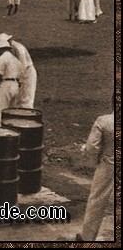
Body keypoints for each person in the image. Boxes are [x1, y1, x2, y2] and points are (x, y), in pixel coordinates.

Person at [76, 102, 114, 241]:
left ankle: (87, 238)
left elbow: (92, 147)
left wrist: (91, 157)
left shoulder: (103, 121)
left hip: (108, 165)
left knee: (97, 201)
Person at [0, 33, 38, 109]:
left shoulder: (18, 48)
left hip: (27, 73)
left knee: (25, 99)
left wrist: (20, 80)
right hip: (20, 74)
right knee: (17, 100)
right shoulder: (10, 49)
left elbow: (23, 66)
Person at [0, 39, 24, 119]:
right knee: (11, 112)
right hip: (15, 85)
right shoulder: (16, 60)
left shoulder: (2, 58)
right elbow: (21, 77)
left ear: (0, 49)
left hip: (6, 84)